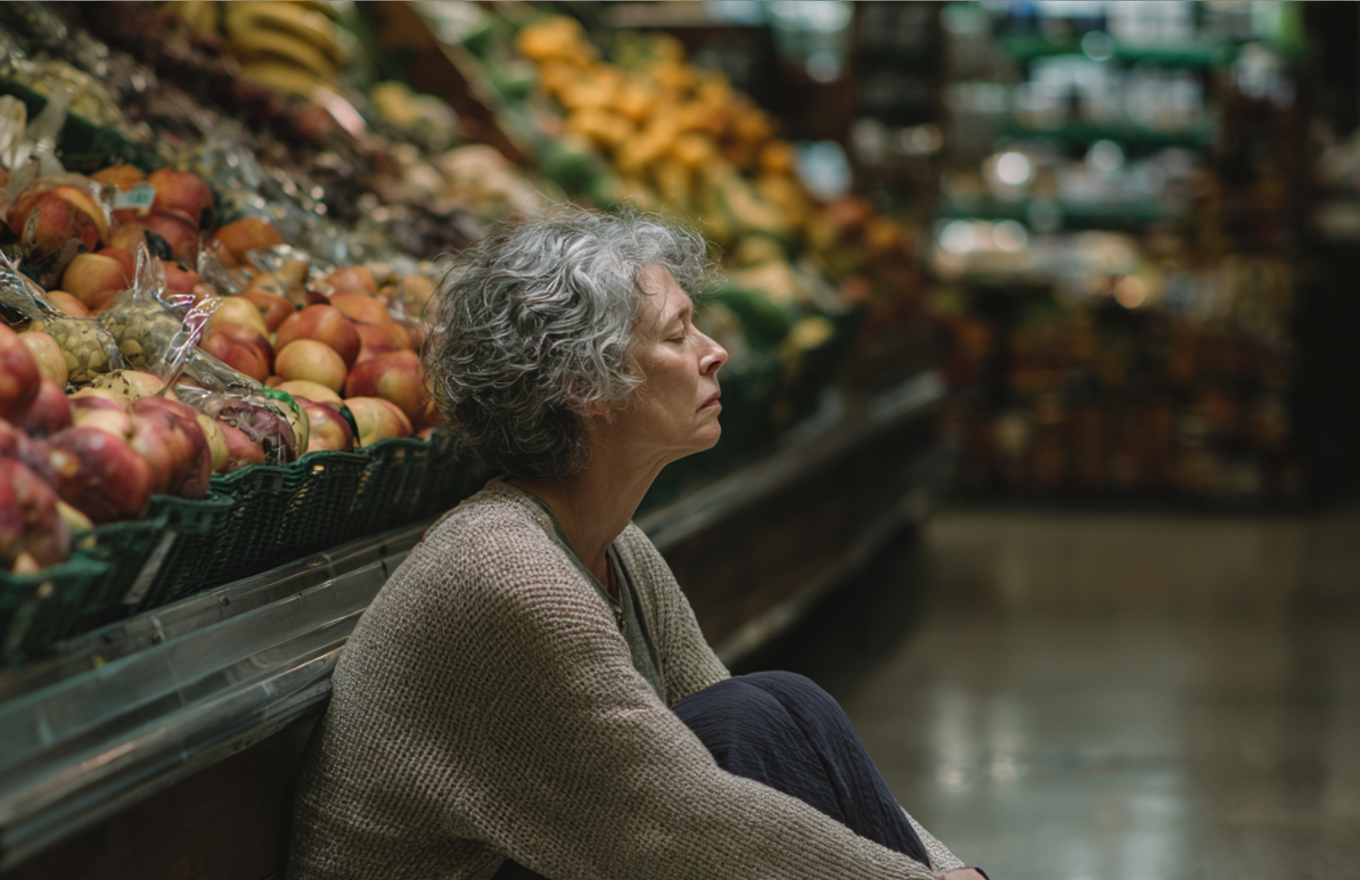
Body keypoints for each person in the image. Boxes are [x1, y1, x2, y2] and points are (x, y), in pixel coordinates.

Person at [287, 208, 988, 880]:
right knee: (752, 716)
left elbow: (724, 717)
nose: (715, 353)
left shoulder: (616, 549)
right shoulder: (507, 573)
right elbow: (678, 817)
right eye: (678, 335)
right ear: (585, 383)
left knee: (777, 704)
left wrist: (943, 866)